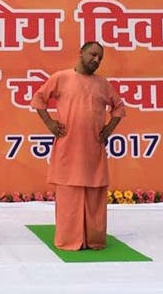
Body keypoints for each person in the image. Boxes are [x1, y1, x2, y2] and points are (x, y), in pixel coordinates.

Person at [31, 41, 126, 251]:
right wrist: (49, 122)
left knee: (95, 195)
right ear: (80, 53)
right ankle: (69, 240)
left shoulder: (102, 83)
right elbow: (38, 99)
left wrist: (109, 129)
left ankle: (94, 240)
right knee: (68, 195)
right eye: (93, 55)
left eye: (100, 58)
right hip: (68, 147)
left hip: (93, 148)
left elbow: (118, 107)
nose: (96, 60)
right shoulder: (61, 77)